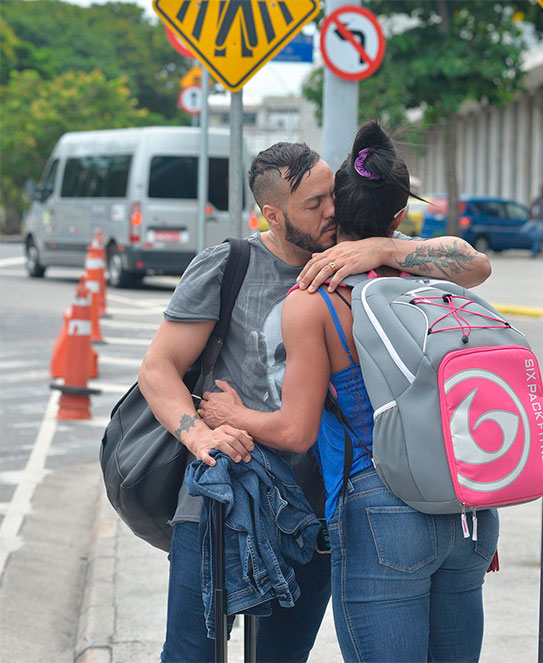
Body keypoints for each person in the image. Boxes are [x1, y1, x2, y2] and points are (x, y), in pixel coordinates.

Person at [138, 139, 492, 663]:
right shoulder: (229, 264)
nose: (333, 211)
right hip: (226, 497)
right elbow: (157, 367)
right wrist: (200, 433)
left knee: (283, 656)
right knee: (191, 654)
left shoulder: (367, 267)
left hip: (316, 512)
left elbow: (474, 266)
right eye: (314, 204)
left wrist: (383, 248)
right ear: (273, 215)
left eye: (333, 194)